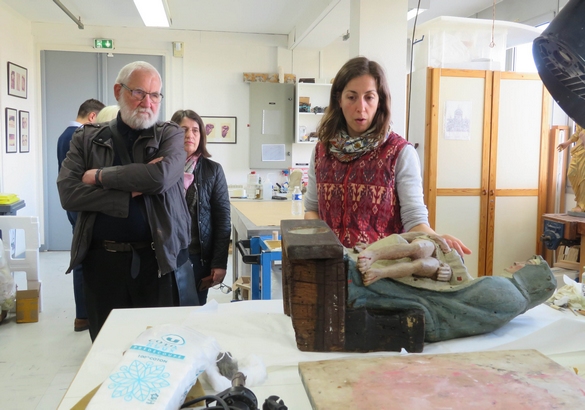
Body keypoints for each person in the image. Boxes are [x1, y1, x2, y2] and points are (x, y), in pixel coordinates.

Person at [57, 61, 191, 341]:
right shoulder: (86, 138)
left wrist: (100, 176)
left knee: (158, 349)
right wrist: (128, 194)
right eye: (139, 92)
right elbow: (69, 193)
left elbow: (159, 178)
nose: (148, 102)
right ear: (119, 91)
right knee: (108, 348)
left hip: (157, 262)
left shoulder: (170, 134)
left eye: (155, 95)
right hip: (101, 264)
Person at [304, 56, 470, 257]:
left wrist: (436, 238)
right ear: (339, 99)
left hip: (382, 273)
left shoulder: (399, 152)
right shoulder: (323, 151)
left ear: (380, 101)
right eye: (351, 97)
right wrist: (320, 244)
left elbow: (414, 219)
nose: (361, 107)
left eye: (369, 97)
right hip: (331, 268)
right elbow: (312, 208)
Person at [170, 109, 231, 305]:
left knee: (193, 311)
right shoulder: (161, 168)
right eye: (184, 130)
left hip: (197, 258)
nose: (190, 135)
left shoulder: (213, 170)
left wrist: (219, 264)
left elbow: (223, 221)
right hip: (166, 256)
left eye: (196, 130)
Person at [56, 98, 105, 332]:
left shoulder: (63, 135)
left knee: (82, 253)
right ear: (93, 117)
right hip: (82, 203)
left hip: (75, 204)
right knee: (82, 256)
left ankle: (84, 314)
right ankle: (83, 315)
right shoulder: (77, 136)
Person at [355, 232, 455, 286]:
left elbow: (460, 278)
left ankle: (380, 273)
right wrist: (370, 245)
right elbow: (409, 235)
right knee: (417, 248)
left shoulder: (457, 262)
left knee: (421, 265)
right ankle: (373, 255)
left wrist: (448, 273)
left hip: (438, 265)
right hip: (434, 248)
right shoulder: (438, 241)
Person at [557, 123, 585, 212]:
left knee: (583, 177)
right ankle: (580, 202)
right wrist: (567, 142)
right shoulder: (580, 115)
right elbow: (578, 132)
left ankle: (582, 205)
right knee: (571, 173)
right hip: (579, 150)